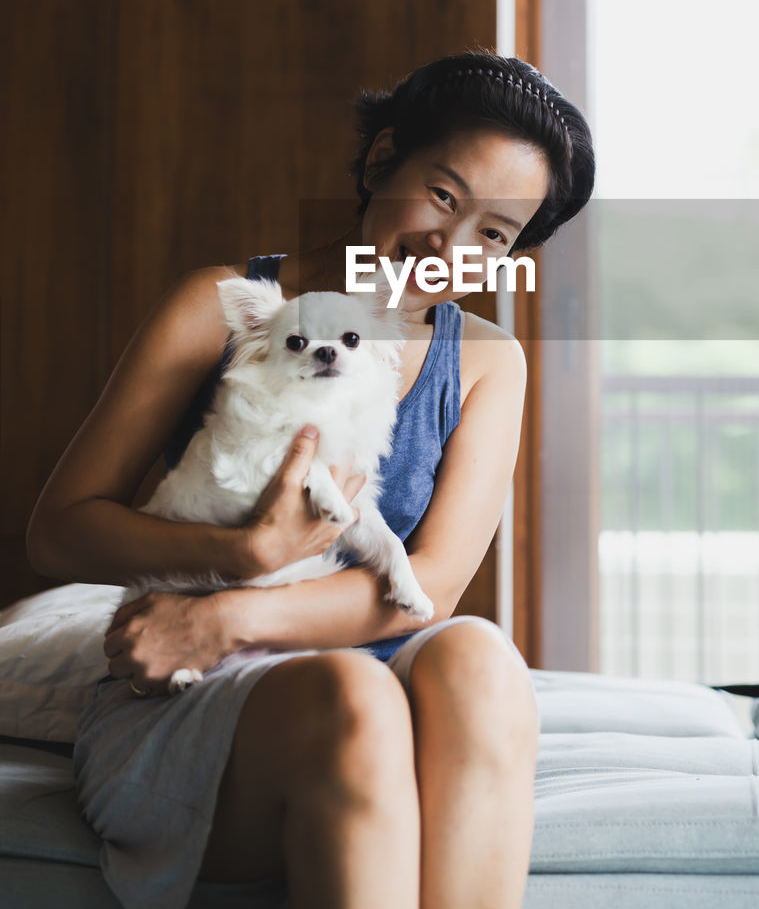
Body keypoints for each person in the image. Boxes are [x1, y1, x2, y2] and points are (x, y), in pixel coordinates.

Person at [26, 50, 595, 909]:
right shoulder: (226, 303)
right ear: (380, 160)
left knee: (478, 655)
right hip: (199, 696)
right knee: (349, 691)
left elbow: (428, 588)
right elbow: (58, 529)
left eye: (493, 232)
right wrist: (236, 553)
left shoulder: (482, 361)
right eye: (442, 195)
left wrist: (228, 613)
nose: (449, 244)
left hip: (293, 648)